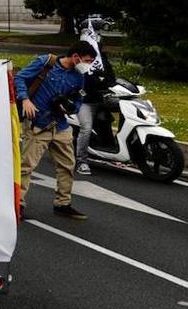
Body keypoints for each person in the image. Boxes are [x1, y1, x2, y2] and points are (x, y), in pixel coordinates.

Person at [14, 42, 97, 220]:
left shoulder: (79, 76)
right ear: (76, 56)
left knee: (68, 165)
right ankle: (17, 204)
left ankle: (63, 203)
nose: (88, 65)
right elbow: (19, 78)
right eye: (87, 61)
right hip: (38, 123)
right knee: (26, 166)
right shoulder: (46, 62)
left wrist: (70, 107)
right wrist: (25, 99)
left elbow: (77, 100)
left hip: (60, 125)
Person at [74, 43, 116, 175]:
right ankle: (82, 161)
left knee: (107, 120)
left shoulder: (102, 62)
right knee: (86, 128)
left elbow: (112, 79)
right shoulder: (78, 66)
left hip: (101, 100)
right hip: (85, 102)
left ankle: (111, 151)